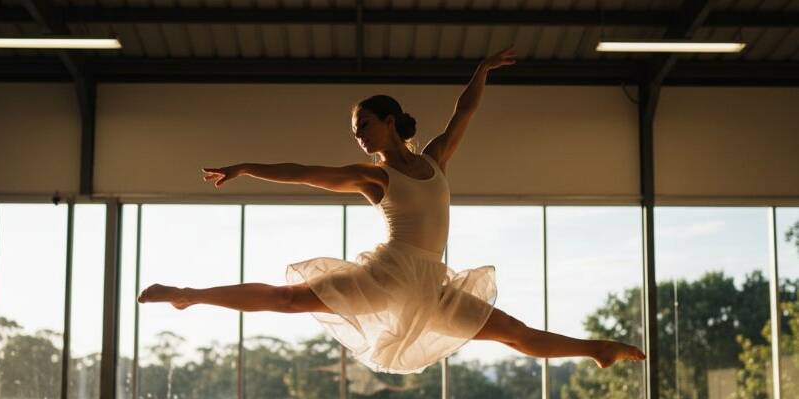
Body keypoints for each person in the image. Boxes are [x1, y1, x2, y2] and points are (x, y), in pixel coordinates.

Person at [138, 46, 646, 374]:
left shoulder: (434, 160)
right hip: (386, 276)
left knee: (514, 333)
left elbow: (463, 112)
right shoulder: (375, 177)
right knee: (288, 300)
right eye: (355, 132)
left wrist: (482, 70)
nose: (359, 137)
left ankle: (595, 348)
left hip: (432, 286)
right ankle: (188, 294)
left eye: (364, 126)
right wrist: (245, 166)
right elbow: (305, 171)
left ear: (388, 120)